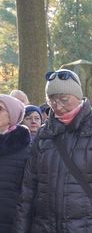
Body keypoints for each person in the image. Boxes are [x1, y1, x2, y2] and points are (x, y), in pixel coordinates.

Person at [14, 69, 92, 233]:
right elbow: (28, 190)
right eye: (51, 100)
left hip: (88, 227)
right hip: (44, 227)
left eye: (64, 99)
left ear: (78, 96)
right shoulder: (43, 134)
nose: (57, 106)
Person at [0, 94, 31, 233]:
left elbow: (28, 194)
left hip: (10, 222)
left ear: (11, 115)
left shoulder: (26, 150)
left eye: (0, 109)